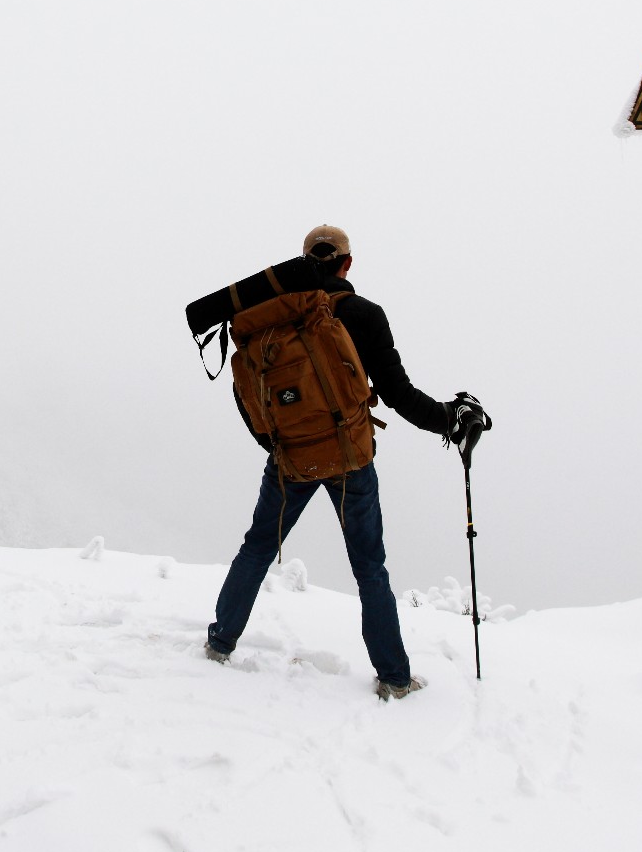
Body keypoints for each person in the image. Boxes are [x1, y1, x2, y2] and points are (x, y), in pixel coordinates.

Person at [203, 223, 481, 700]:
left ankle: (220, 642)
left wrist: (279, 444)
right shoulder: (364, 314)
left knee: (257, 547)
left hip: (291, 459)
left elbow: (247, 395)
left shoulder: (271, 319)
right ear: (347, 264)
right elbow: (397, 394)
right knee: (370, 567)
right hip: (350, 457)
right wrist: (451, 421)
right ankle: (394, 678)